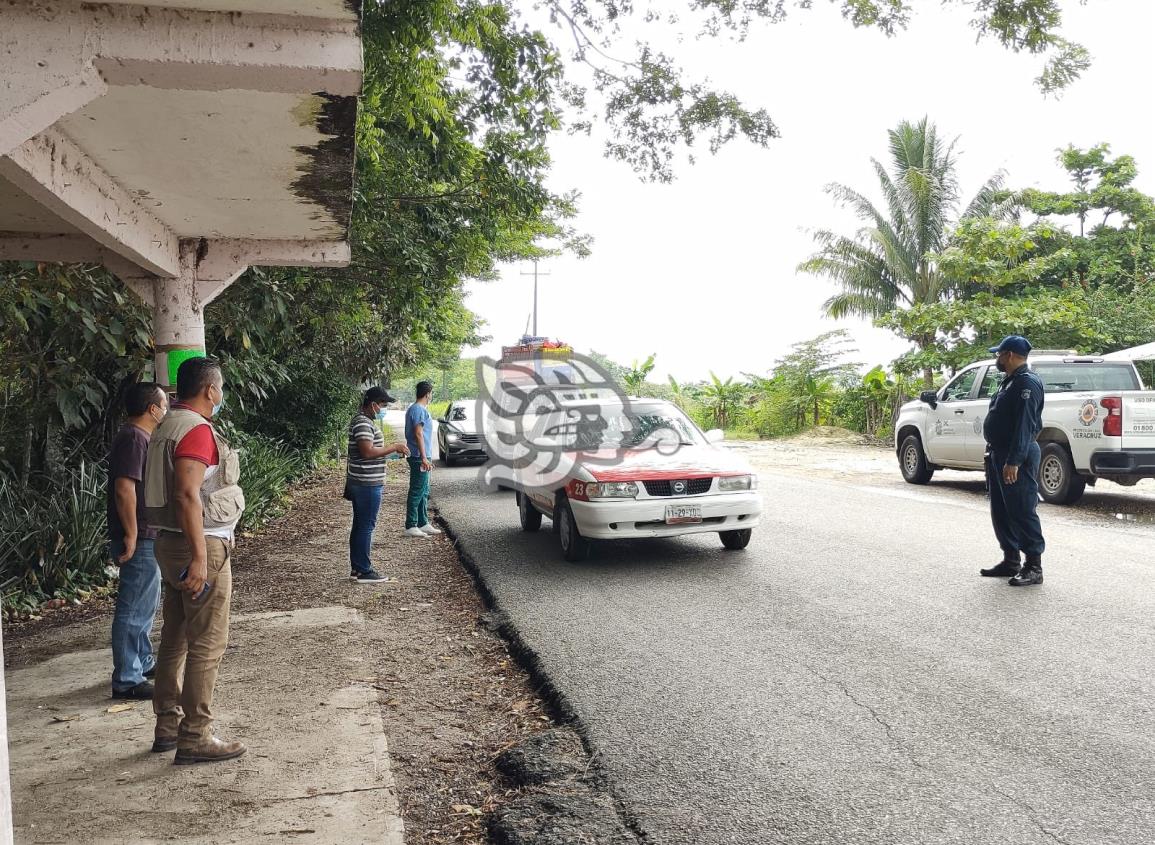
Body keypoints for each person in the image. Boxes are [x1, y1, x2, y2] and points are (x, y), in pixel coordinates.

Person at [143, 357, 247, 764]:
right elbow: (188, 494)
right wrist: (202, 557)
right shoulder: (195, 430)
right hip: (197, 546)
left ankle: (167, 726)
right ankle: (196, 735)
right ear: (210, 390)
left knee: (176, 637)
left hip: (171, 542)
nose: (220, 395)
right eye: (219, 388)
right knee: (207, 642)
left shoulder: (164, 426)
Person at [107, 381, 168, 700]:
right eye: (163, 403)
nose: (166, 408)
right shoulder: (133, 437)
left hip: (148, 532)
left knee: (145, 603)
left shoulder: (143, 437)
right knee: (133, 606)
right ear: (151, 408)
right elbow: (125, 488)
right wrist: (131, 534)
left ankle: (142, 662)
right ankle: (128, 678)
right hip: (140, 534)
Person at [980, 335, 1046, 587]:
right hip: (1000, 452)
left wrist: (1014, 461)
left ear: (1009, 355)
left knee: (1021, 508)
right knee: (1001, 509)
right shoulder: (1010, 382)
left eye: (999, 354)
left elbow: (1024, 426)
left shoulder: (1026, 384)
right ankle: (1010, 560)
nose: (997, 358)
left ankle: (1033, 566)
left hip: (1016, 454)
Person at [347, 386, 409, 582]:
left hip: (364, 480)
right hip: (366, 483)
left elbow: (371, 452)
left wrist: (391, 454)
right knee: (366, 526)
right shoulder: (363, 423)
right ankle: (364, 570)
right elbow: (366, 451)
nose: (384, 408)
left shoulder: (363, 421)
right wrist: (394, 446)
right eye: (382, 405)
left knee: (360, 525)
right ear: (373, 404)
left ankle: (357, 568)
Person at [404, 381, 441, 538]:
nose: (431, 396)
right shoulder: (418, 410)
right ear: (428, 394)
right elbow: (418, 433)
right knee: (417, 490)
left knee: (424, 490)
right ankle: (411, 524)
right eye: (431, 393)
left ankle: (423, 522)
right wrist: (424, 457)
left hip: (422, 456)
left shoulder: (416, 409)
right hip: (420, 457)